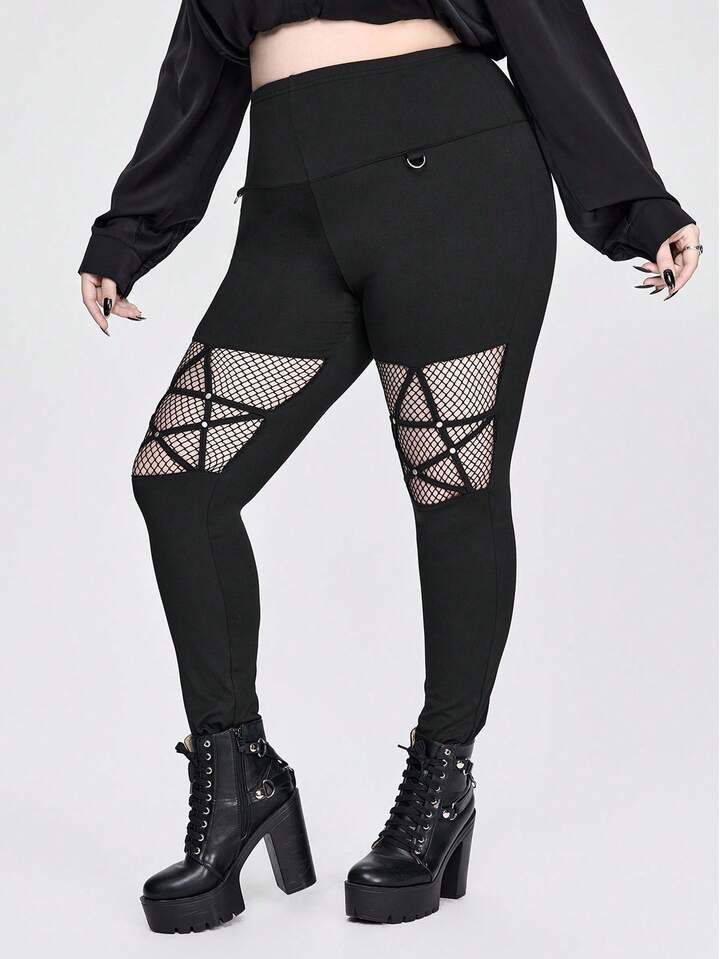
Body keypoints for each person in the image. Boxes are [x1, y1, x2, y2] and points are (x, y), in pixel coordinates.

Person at [78, 1, 702, 933]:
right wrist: (131, 230)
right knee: (178, 480)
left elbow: (541, 17)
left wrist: (636, 203)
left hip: (454, 185)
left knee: (452, 483)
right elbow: (201, 60)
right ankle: (237, 777)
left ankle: (440, 783)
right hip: (288, 208)